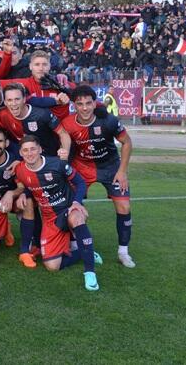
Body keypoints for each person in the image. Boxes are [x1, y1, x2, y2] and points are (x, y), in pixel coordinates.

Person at [0, 135, 101, 291]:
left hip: (68, 210)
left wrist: (76, 202)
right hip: (50, 218)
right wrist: (24, 194)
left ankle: (90, 272)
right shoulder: (20, 170)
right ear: (21, 153)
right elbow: (28, 186)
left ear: (40, 149)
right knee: (52, 266)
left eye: (33, 149)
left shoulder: (57, 164)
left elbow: (80, 182)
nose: (30, 153)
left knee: (77, 217)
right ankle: (84, 251)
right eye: (25, 150)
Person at [60, 85, 135, 268]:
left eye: (88, 103)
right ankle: (76, 245)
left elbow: (127, 142)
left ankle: (123, 252)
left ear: (95, 103)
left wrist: (122, 171)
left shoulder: (108, 121)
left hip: (110, 167)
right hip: (81, 167)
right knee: (72, 206)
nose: (84, 108)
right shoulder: (68, 124)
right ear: (74, 105)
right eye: (80, 104)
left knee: (124, 206)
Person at [0, 83, 71, 159]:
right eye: (9, 100)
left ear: (24, 99)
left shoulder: (42, 114)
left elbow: (63, 134)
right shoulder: (2, 116)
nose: (13, 103)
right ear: (5, 102)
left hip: (50, 157)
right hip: (25, 159)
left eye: (17, 99)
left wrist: (64, 153)